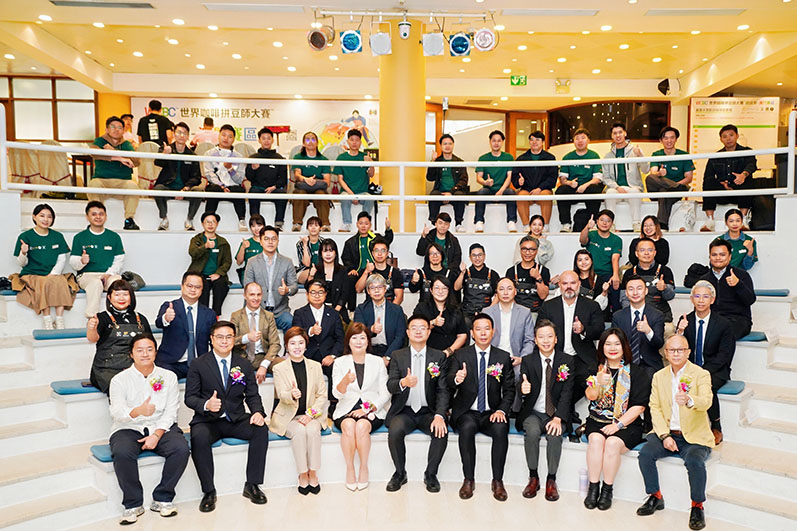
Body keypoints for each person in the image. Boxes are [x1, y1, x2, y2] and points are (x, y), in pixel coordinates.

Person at [185, 321, 269, 512]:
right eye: (220, 337)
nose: (224, 341)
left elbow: (252, 394)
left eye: (229, 337)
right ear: (212, 339)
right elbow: (190, 397)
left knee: (261, 429)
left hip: (235, 418)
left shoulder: (243, 364)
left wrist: (258, 412)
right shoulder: (198, 364)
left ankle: (252, 485)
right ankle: (209, 491)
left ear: (234, 339)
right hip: (207, 421)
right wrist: (206, 405)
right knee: (198, 437)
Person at [108, 334, 189, 525]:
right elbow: (117, 412)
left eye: (149, 349)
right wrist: (137, 411)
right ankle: (132, 504)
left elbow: (171, 411)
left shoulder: (168, 377)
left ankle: (163, 497)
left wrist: (157, 435)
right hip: (129, 426)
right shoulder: (119, 380)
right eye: (140, 350)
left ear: (156, 352)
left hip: (160, 426)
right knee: (122, 452)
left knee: (181, 449)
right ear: (131, 354)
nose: (145, 354)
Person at [637, 335, 714, 531]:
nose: (676, 353)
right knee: (645, 454)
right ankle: (655, 496)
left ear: (688, 352)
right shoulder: (659, 376)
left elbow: (707, 401)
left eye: (681, 350)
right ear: (666, 353)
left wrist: (690, 400)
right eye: (672, 350)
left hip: (694, 436)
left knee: (695, 461)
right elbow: (654, 407)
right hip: (667, 432)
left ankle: (697, 506)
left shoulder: (701, 374)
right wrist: (664, 435)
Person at [448, 313, 515, 501]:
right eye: (478, 329)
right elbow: (448, 381)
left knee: (501, 428)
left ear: (493, 332)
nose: (483, 333)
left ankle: (498, 481)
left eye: (487, 329)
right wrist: (457, 379)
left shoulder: (502, 357)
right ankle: (468, 479)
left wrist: (501, 410)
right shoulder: (461, 355)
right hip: (467, 411)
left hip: (491, 412)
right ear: (472, 333)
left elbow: (509, 389)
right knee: (467, 428)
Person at [583, 328, 651, 511]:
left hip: (627, 424)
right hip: (597, 420)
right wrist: (597, 382)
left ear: (624, 347)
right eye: (608, 344)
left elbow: (639, 406)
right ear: (602, 347)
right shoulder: (595, 368)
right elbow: (590, 396)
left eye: (616, 344)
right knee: (596, 440)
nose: (612, 348)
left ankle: (607, 490)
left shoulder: (636, 372)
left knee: (612, 443)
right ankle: (593, 487)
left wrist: (617, 425)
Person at [385, 314, 450, 493]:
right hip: (404, 411)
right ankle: (400, 473)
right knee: (395, 430)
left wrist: (439, 415)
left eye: (423, 328)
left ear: (429, 332)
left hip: (428, 411)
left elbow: (443, 390)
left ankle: (431, 474)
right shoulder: (397, 355)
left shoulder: (439, 356)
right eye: (414, 328)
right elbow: (390, 385)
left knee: (441, 432)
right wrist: (403, 382)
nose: (418, 331)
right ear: (408, 332)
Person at [538, 270, 605, 436]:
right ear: (559, 285)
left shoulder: (591, 305)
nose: (569, 287)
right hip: (557, 355)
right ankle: (566, 415)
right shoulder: (548, 306)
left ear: (579, 284)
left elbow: (599, 330)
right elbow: (539, 330)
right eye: (565, 283)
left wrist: (583, 330)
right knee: (553, 381)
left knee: (589, 378)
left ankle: (571, 414)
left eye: (573, 283)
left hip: (581, 357)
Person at [516, 319, 575, 501]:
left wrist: (558, 418)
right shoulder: (528, 360)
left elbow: (567, 393)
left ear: (556, 339)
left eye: (550, 336)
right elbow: (522, 384)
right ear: (535, 340)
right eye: (541, 337)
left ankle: (551, 479)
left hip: (556, 413)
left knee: (555, 435)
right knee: (532, 432)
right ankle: (533, 477)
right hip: (533, 412)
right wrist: (522, 389)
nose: (546, 340)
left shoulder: (567, 361)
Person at [675, 280, 735, 445]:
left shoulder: (723, 324)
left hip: (715, 369)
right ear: (691, 299)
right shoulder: (685, 320)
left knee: (706, 385)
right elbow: (678, 349)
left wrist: (701, 372)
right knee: (676, 385)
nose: (701, 300)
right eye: (697, 296)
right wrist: (680, 331)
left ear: (712, 300)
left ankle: (716, 426)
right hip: (689, 368)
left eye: (705, 297)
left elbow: (725, 355)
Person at [332, 322, 390, 491]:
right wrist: (344, 381)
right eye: (354, 338)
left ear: (368, 341)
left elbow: (385, 393)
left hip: (372, 408)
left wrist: (367, 409)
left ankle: (364, 467)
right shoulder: (340, 362)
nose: (358, 341)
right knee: (350, 426)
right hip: (346, 408)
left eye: (362, 338)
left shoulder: (378, 362)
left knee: (362, 426)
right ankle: (350, 468)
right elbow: (336, 394)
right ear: (348, 341)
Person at [270, 327, 328, 495]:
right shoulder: (279, 368)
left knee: (312, 430)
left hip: (311, 415)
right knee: (300, 432)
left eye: (300, 343)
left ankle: (313, 473)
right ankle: (303, 474)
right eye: (293, 343)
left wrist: (310, 414)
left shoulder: (315, 366)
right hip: (289, 417)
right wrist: (291, 394)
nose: (297, 347)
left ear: (306, 345)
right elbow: (281, 394)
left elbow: (322, 395)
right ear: (287, 346)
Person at [13, 203, 73, 330]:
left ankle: (59, 319)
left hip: (52, 273)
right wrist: (23, 252)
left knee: (61, 281)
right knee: (44, 282)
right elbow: (21, 263)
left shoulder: (57, 236)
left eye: (49, 217)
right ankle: (47, 319)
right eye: (42, 216)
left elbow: (62, 259)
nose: (46, 219)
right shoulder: (25, 237)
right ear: (34, 217)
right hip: (32, 274)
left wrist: (53, 273)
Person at [87, 279, 152, 393]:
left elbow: (150, 344)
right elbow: (92, 338)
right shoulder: (102, 317)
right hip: (106, 370)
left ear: (131, 297)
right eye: (117, 294)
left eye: (125, 294)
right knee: (122, 388)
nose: (121, 298)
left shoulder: (141, 318)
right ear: (109, 297)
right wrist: (91, 328)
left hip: (134, 368)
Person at [292, 279, 346, 412]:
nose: (317, 295)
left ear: (326, 294)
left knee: (336, 367)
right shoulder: (299, 313)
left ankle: (333, 404)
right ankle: (301, 404)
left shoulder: (333, 314)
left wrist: (332, 355)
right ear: (307, 294)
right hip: (307, 355)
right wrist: (310, 331)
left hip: (327, 356)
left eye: (320, 292)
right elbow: (295, 335)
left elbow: (340, 339)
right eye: (313, 292)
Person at [483, 277, 535, 412]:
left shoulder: (525, 312)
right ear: (496, 293)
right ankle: (491, 408)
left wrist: (522, 358)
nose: (505, 292)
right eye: (501, 289)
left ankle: (514, 410)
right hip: (492, 358)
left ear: (515, 292)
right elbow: (482, 339)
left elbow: (529, 340)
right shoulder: (487, 312)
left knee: (519, 375)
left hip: (515, 359)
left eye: (509, 289)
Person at [155, 271, 217, 379]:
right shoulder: (169, 306)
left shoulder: (209, 314)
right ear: (182, 286)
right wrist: (166, 318)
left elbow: (214, 340)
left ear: (202, 290)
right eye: (189, 286)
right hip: (171, 363)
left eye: (197, 287)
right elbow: (159, 323)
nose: (193, 290)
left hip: (199, 364)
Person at [69, 201, 124, 319]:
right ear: (87, 217)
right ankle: (92, 319)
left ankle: (119, 318)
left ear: (105, 216)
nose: (98, 217)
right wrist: (82, 261)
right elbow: (73, 263)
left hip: (108, 274)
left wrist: (109, 273)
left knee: (118, 284)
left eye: (101, 214)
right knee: (96, 283)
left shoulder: (114, 237)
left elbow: (119, 259)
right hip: (86, 276)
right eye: (94, 214)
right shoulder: (79, 237)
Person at [700, 124, 758, 231]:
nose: (728, 139)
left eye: (731, 135)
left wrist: (743, 175)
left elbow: (752, 165)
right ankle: (710, 220)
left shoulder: (746, 151)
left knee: (748, 180)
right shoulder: (715, 156)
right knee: (708, 181)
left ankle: (743, 219)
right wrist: (722, 183)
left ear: (737, 136)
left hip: (739, 191)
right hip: (722, 192)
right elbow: (708, 175)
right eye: (725, 136)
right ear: (721, 139)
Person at [88, 116, 141, 230]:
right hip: (102, 180)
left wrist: (114, 152)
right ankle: (95, 219)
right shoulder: (100, 141)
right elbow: (94, 153)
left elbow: (136, 161)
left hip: (122, 181)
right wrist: (120, 158)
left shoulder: (126, 144)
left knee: (133, 186)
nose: (116, 130)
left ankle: (129, 220)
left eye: (119, 127)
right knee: (93, 184)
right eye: (113, 127)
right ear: (107, 129)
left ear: (123, 130)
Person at [243, 225, 298, 330]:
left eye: (273, 239)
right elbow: (248, 287)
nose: (270, 242)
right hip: (258, 310)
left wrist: (287, 290)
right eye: (266, 239)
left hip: (280, 311)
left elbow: (294, 286)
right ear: (260, 241)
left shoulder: (287, 262)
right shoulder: (252, 262)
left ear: (278, 241)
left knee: (291, 323)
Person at [699, 239, 756, 340]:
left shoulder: (741, 275)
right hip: (713, 319)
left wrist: (738, 284)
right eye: (714, 255)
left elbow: (750, 300)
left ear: (729, 257)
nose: (718, 258)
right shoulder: (704, 279)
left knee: (723, 331)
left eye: (722, 255)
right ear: (709, 257)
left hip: (738, 320)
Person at [153, 121, 204, 231]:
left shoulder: (192, 155)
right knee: (157, 189)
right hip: (168, 187)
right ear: (174, 134)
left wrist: (186, 188)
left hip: (185, 189)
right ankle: (164, 218)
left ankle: (189, 220)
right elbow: (157, 162)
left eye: (184, 133)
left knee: (199, 191)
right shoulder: (166, 149)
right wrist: (165, 155)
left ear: (188, 136)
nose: (181, 135)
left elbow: (197, 177)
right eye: (179, 132)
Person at [230, 282, 283, 384]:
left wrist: (264, 364)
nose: (256, 298)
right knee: (233, 373)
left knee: (284, 367)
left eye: (258, 294)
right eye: (252, 294)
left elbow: (275, 344)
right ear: (245, 296)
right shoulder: (236, 316)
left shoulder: (269, 316)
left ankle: (282, 395)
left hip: (263, 356)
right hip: (242, 357)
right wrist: (246, 338)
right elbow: (231, 341)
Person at [612, 275, 666, 373]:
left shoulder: (657, 315)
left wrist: (648, 331)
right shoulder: (618, 316)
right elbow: (615, 343)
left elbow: (659, 344)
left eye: (639, 288)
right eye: (631, 289)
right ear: (626, 293)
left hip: (649, 364)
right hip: (624, 364)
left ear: (646, 291)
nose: (635, 292)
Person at [645, 126, 695, 230]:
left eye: (672, 137)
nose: (669, 141)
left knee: (664, 192)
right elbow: (653, 173)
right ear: (661, 140)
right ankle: (674, 186)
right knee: (650, 178)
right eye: (666, 138)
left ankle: (662, 225)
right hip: (662, 188)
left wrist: (677, 185)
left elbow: (689, 178)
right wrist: (659, 173)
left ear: (676, 139)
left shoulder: (684, 155)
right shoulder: (656, 154)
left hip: (674, 192)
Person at [602, 123, 649, 232]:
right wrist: (617, 187)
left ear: (625, 133)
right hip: (616, 189)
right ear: (611, 136)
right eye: (615, 133)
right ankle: (611, 224)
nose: (618, 135)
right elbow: (606, 178)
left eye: (620, 132)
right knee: (609, 193)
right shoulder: (608, 156)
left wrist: (640, 156)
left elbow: (646, 170)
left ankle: (636, 223)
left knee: (635, 192)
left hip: (633, 187)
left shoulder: (635, 151)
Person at [555, 128, 604, 232]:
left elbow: (598, 178)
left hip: (588, 187)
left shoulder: (594, 156)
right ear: (573, 141)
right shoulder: (568, 157)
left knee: (594, 189)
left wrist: (585, 185)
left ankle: (593, 222)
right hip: (573, 187)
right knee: (561, 190)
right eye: (577, 138)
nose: (580, 141)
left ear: (588, 140)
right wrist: (569, 183)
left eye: (583, 138)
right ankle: (566, 224)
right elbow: (562, 178)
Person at [353, 274, 407, 362]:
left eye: (380, 287)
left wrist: (388, 357)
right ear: (368, 291)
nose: (376, 291)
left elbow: (400, 336)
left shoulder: (397, 310)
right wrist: (371, 329)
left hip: (391, 352)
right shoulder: (361, 309)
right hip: (367, 352)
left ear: (385, 289)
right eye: (372, 288)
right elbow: (357, 333)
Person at [203, 124, 247, 232]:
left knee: (239, 190)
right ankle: (208, 220)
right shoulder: (209, 154)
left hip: (233, 187)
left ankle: (242, 220)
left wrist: (230, 170)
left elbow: (240, 179)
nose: (226, 138)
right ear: (219, 136)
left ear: (234, 139)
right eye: (224, 135)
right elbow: (209, 174)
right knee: (213, 190)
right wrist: (221, 186)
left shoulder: (239, 157)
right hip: (217, 186)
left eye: (230, 136)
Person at [621, 238, 676, 323]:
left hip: (661, 317)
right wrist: (632, 315)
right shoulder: (629, 273)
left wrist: (665, 288)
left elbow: (670, 296)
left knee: (669, 329)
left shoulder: (665, 271)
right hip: (636, 317)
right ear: (636, 253)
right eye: (642, 250)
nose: (646, 253)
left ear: (655, 253)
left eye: (650, 250)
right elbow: (624, 299)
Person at [187, 212, 231, 316]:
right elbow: (192, 253)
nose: (210, 224)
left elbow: (227, 261)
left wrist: (218, 273)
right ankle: (203, 315)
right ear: (202, 224)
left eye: (213, 222)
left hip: (216, 275)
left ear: (217, 224)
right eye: (207, 222)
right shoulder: (196, 239)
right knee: (202, 286)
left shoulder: (223, 242)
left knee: (221, 285)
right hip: (200, 274)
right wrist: (205, 246)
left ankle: (216, 315)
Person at [473, 130, 518, 233]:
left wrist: (501, 191)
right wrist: (486, 182)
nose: (496, 143)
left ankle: (511, 221)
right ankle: (479, 221)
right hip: (488, 189)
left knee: (511, 192)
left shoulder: (508, 157)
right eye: (494, 140)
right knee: (481, 192)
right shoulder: (483, 158)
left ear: (502, 142)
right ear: (490, 142)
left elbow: (509, 177)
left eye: (499, 141)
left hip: (503, 189)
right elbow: (478, 177)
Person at [413, 275, 468, 356]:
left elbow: (462, 335)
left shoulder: (456, 309)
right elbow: (416, 330)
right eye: (437, 288)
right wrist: (433, 323)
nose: (440, 291)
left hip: (451, 354)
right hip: (427, 354)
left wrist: (448, 351)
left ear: (449, 291)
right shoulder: (422, 308)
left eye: (444, 288)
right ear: (431, 290)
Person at [512, 130, 557, 230]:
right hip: (527, 190)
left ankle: (545, 226)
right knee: (521, 196)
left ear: (543, 142)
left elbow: (552, 178)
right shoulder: (521, 159)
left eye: (537, 140)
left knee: (546, 196)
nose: (534, 142)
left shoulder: (550, 158)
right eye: (532, 140)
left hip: (543, 190)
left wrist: (540, 188)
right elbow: (515, 177)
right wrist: (519, 181)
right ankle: (526, 226)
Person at [580, 210, 623, 313]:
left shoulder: (616, 240)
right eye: (602, 220)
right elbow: (582, 240)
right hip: (590, 273)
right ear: (597, 221)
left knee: (615, 291)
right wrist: (587, 227)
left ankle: (614, 318)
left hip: (607, 274)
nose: (604, 223)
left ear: (612, 223)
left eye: (608, 221)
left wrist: (615, 275)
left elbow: (615, 258)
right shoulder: (591, 235)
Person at [245, 126, 288, 227]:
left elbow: (283, 178)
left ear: (272, 140)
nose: (266, 141)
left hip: (274, 188)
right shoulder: (253, 157)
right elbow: (249, 177)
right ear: (259, 140)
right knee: (253, 193)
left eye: (268, 138)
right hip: (257, 188)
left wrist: (274, 187)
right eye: (263, 138)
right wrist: (253, 169)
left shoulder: (279, 158)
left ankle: (279, 223)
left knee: (282, 195)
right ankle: (256, 224)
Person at [425, 133, 469, 231]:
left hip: (455, 192)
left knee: (460, 195)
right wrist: (432, 162)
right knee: (433, 195)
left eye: (450, 143)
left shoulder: (459, 162)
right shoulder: (437, 161)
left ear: (453, 145)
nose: (447, 146)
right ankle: (433, 222)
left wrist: (451, 193)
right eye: (445, 144)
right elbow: (430, 178)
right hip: (440, 192)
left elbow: (464, 181)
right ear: (441, 146)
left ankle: (458, 223)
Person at [335, 129, 376, 232]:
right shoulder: (341, 157)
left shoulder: (364, 157)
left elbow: (371, 174)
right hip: (347, 192)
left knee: (370, 198)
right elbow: (340, 179)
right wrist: (351, 194)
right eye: (352, 140)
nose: (354, 142)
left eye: (357, 140)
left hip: (363, 191)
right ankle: (346, 223)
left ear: (360, 142)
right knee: (344, 198)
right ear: (347, 142)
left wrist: (370, 164)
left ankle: (366, 223)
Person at [291, 131, 331, 232]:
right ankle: (297, 223)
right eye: (307, 139)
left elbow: (327, 181)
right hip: (303, 186)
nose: (310, 142)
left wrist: (315, 182)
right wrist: (306, 179)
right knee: (300, 194)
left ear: (317, 143)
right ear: (303, 143)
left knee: (321, 195)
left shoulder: (323, 160)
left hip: (318, 187)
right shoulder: (298, 157)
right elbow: (297, 175)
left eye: (313, 139)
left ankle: (325, 224)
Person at [455, 243, 500, 326]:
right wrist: (462, 273)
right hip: (467, 312)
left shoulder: (493, 274)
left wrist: (489, 310)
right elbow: (456, 287)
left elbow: (498, 294)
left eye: (480, 255)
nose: (477, 258)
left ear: (484, 256)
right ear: (470, 257)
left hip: (486, 312)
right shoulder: (465, 272)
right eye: (474, 255)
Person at [309, 239, 353, 319]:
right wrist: (311, 276)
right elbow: (309, 290)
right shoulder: (316, 269)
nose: (328, 254)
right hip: (318, 309)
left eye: (331, 251)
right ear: (321, 254)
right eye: (325, 251)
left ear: (335, 253)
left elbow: (345, 294)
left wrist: (336, 311)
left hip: (338, 310)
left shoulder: (342, 270)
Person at [505, 235, 550, 314]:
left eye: (532, 249)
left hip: (536, 312)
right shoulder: (511, 271)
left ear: (536, 251)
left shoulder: (543, 271)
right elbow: (507, 295)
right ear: (520, 250)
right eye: (524, 249)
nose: (528, 252)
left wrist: (538, 277)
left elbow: (543, 296)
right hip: (516, 312)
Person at [355, 236, 404, 305]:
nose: (379, 254)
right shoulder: (367, 270)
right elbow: (358, 289)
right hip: (369, 307)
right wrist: (366, 272)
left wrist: (390, 310)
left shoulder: (395, 272)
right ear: (372, 253)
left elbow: (399, 297)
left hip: (389, 306)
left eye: (383, 251)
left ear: (387, 253)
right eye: (376, 250)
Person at [235, 214, 265, 285]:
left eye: (259, 225)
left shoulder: (268, 242)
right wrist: (243, 247)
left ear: (264, 226)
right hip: (248, 273)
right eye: (253, 226)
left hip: (265, 273)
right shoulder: (246, 242)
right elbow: (239, 262)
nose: (256, 229)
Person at [295, 216, 326, 285]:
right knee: (313, 272)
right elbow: (307, 264)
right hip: (305, 272)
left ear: (320, 228)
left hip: (321, 271)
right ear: (307, 228)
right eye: (311, 225)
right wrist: (305, 245)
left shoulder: (324, 243)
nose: (313, 228)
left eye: (316, 225)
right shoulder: (300, 243)